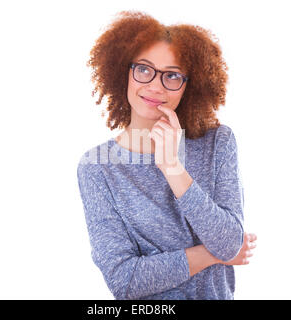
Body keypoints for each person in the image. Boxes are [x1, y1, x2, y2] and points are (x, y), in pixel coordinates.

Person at [77, 10, 257, 300]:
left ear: (189, 85)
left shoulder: (217, 143)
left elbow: (230, 244)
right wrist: (209, 255)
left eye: (172, 75)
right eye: (144, 69)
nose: (156, 86)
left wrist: (172, 166)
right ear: (124, 71)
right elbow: (125, 281)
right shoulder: (97, 167)